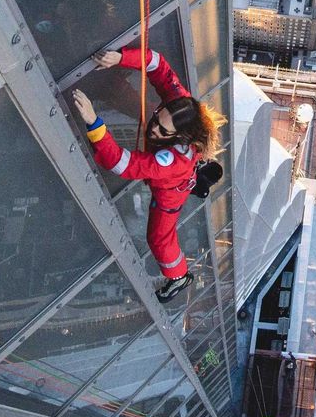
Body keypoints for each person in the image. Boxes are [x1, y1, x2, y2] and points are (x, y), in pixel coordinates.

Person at [71, 45, 225, 303]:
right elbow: (157, 63)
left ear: (182, 136)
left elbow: (123, 165)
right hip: (181, 168)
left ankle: (179, 276)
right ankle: (114, 91)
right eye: (158, 119)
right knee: (140, 107)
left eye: (162, 130)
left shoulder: (170, 161)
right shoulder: (179, 104)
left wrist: (94, 122)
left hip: (170, 192)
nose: (153, 128)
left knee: (158, 238)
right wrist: (121, 58)